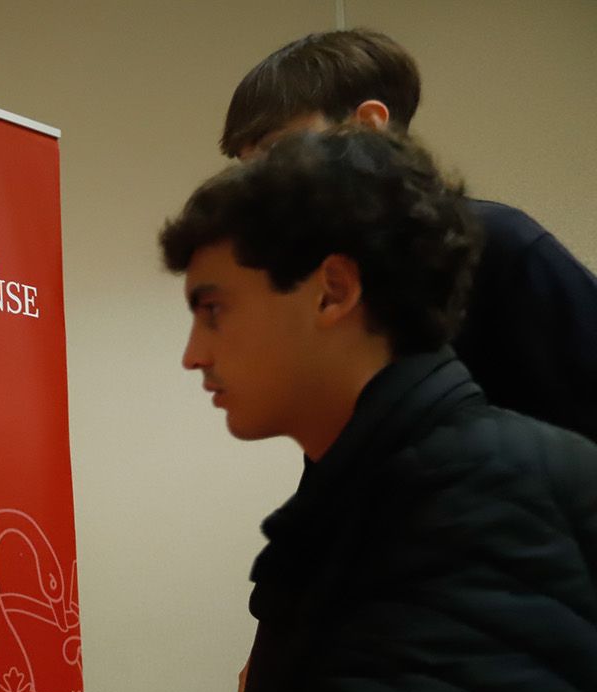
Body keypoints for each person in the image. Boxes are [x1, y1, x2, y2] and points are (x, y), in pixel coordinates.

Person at [73, 128, 597, 692]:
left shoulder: (484, 500)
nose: (193, 353)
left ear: (333, 290)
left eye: (214, 308)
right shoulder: (392, 487)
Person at [220, 27, 597, 692]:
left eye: (275, 155)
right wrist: (274, 642)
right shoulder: (337, 295)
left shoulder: (504, 251)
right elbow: (333, 487)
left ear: (368, 126)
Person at [220, 27, 597, 446]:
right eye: (245, 165)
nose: (254, 183)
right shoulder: (325, 275)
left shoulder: (499, 242)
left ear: (368, 125)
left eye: (274, 149)